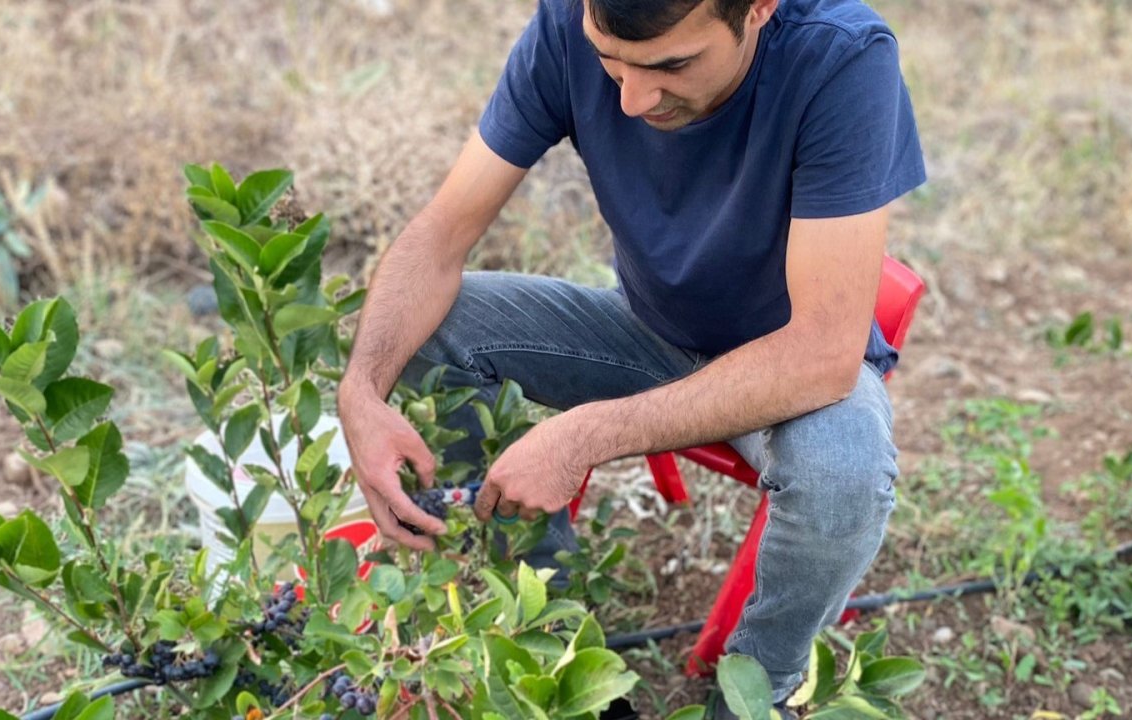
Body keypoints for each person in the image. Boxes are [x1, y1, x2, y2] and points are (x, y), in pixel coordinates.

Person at [338, 0, 924, 714]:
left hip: (786, 365)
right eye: (609, 61)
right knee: (433, 332)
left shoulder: (841, 58)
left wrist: (584, 433)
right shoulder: (566, 24)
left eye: (672, 64)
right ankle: (552, 653)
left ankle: (754, 692)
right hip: (644, 330)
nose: (632, 99)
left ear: (759, 8)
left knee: (845, 476)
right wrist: (361, 393)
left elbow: (823, 354)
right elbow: (439, 237)